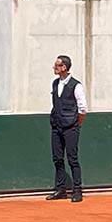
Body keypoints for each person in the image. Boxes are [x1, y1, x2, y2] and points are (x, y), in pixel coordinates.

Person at [47, 54, 86, 203]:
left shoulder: (76, 85)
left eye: (57, 65)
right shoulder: (55, 83)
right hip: (56, 126)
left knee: (72, 159)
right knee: (57, 158)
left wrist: (76, 124)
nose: (54, 67)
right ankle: (60, 189)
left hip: (71, 128)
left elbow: (83, 109)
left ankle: (77, 190)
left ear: (64, 67)